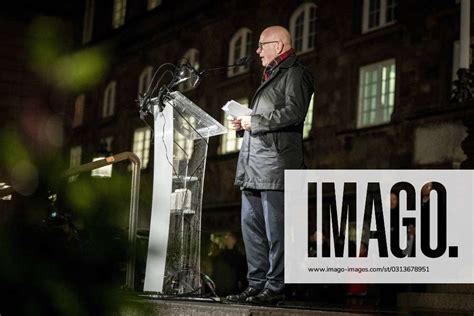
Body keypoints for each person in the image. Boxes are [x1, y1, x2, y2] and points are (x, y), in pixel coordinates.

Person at [225, 25, 314, 305]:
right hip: (253, 166)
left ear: (278, 44)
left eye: (262, 45)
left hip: (277, 167)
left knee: (276, 233)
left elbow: (295, 112)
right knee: (252, 230)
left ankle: (275, 288)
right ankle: (256, 284)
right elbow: (268, 116)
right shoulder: (272, 75)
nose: (257, 51)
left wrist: (257, 122)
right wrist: (245, 123)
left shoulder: (296, 73)